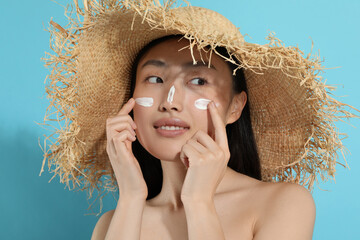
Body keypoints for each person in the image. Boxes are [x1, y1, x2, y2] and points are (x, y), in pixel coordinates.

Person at [40, 0, 358, 239]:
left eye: (198, 81)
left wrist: (199, 202)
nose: (170, 102)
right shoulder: (113, 223)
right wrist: (132, 198)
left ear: (235, 107)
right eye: (154, 79)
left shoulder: (283, 203)